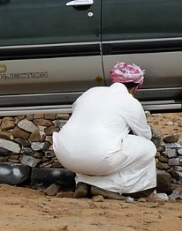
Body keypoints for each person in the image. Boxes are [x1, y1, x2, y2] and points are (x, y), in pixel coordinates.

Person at [52, 62, 158, 200]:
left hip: (64, 154)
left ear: (114, 80)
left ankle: (83, 183)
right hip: (99, 158)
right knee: (148, 148)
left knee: (94, 146)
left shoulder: (91, 91)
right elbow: (145, 135)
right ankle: (108, 187)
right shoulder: (130, 101)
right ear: (135, 88)